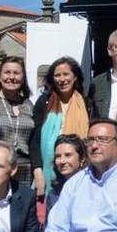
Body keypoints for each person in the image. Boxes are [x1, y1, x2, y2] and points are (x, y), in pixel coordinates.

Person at [29, 56, 91, 195]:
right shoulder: (44, 103)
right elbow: (35, 140)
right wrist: (38, 170)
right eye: (57, 75)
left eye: (66, 74)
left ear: (75, 77)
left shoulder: (87, 104)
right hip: (51, 172)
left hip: (80, 172)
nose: (62, 79)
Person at [0, 57, 36, 188]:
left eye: (16, 73)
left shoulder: (28, 104)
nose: (11, 77)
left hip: (25, 169)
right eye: (7, 72)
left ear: (23, 78)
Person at [46, 134, 88, 209]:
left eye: (68, 155)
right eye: (58, 156)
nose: (62, 161)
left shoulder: (91, 189)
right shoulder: (53, 194)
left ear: (82, 158)